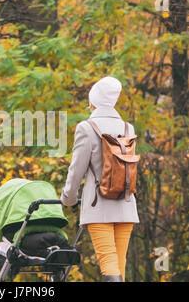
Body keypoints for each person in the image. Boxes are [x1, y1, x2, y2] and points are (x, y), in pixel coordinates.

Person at [60, 76, 139, 282]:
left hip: (99, 206)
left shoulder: (86, 128)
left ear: (93, 101)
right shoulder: (128, 128)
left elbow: (76, 170)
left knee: (109, 263)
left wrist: (68, 199)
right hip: (126, 205)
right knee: (119, 263)